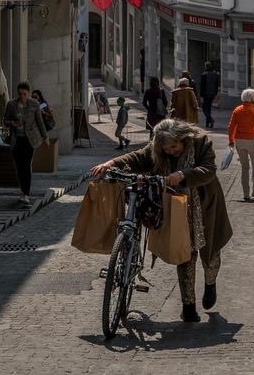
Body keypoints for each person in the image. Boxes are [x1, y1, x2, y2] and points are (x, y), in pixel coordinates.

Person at [90, 118, 232, 323]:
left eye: (174, 147)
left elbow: (208, 170)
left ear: (183, 139)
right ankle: (188, 306)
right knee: (185, 253)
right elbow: (139, 157)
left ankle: (210, 283)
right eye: (166, 149)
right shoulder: (158, 148)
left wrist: (183, 174)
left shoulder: (200, 142)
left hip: (204, 204)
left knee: (211, 251)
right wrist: (111, 163)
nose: (171, 152)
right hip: (176, 205)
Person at [3, 81, 50, 205]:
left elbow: (40, 122)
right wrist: (12, 123)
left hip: (29, 140)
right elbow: (5, 120)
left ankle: (26, 194)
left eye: (24, 94)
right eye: (20, 94)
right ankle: (23, 191)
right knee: (19, 166)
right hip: (16, 139)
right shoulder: (11, 104)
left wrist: (45, 137)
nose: (22, 96)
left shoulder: (34, 104)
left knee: (26, 165)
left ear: (28, 93)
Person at [227, 88, 254, 202]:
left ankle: (246, 193)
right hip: (252, 141)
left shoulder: (237, 110)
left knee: (244, 167)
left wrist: (231, 141)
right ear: (253, 99)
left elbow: (231, 127)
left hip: (239, 141)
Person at [199, 61, 220, 129]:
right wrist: (215, 93)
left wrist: (201, 95)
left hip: (206, 94)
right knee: (209, 108)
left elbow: (202, 86)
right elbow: (216, 84)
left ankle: (210, 120)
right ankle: (207, 123)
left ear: (206, 67)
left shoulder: (204, 75)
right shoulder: (215, 74)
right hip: (212, 93)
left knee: (204, 108)